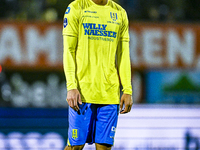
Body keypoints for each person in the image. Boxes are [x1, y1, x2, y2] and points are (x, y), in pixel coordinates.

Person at [62, 0, 133, 149]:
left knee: (104, 147)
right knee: (75, 147)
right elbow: (68, 51)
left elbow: (123, 54)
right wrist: (71, 86)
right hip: (82, 93)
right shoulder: (76, 7)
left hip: (109, 94)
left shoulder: (120, 13)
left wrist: (127, 89)